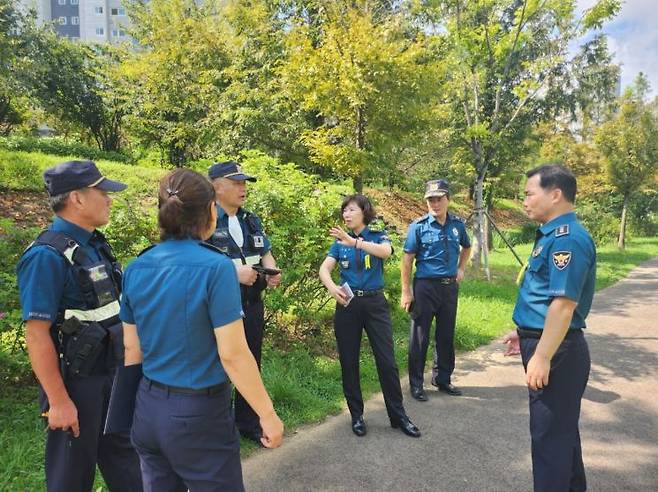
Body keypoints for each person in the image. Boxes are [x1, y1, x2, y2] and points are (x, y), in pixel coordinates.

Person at [120, 169, 284, 491]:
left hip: (148, 409)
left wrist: (133, 413)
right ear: (210, 211)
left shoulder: (136, 267)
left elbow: (131, 350)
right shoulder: (216, 267)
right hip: (198, 414)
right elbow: (233, 354)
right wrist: (267, 413)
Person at [16, 160, 142, 492]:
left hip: (112, 375)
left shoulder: (94, 245)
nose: (109, 199)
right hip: (76, 384)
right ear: (78, 198)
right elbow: (36, 334)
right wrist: (58, 401)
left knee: (130, 467)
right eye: (103, 192)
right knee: (71, 478)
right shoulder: (46, 256)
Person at [502, 164, 595, 492]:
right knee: (561, 436)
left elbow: (563, 305)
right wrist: (525, 331)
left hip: (556, 352)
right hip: (549, 343)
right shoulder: (552, 236)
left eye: (529, 193)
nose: (524, 200)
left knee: (549, 443)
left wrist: (541, 353)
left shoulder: (567, 240)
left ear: (555, 195)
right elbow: (545, 298)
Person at [319, 194, 421, 438]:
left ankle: (398, 416)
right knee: (349, 361)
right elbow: (325, 268)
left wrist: (354, 243)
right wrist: (333, 289)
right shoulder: (339, 242)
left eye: (351, 209)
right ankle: (357, 416)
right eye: (344, 211)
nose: (346, 215)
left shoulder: (377, 234)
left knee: (386, 361)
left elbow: (385, 252)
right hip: (348, 304)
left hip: (375, 303)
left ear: (364, 212)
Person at [206, 160, 282, 444]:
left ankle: (248, 423)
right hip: (219, 305)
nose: (243, 188)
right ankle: (219, 426)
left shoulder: (251, 219)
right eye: (236, 182)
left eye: (244, 182)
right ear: (216, 186)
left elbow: (265, 252)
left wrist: (272, 271)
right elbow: (198, 262)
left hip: (251, 302)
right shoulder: (205, 220)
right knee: (221, 364)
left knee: (251, 360)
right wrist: (232, 273)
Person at [400, 179, 471, 401]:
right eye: (431, 199)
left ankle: (443, 379)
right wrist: (406, 291)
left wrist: (461, 268)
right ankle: (416, 384)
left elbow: (467, 247)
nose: (435, 203)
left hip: (449, 288)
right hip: (425, 288)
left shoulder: (457, 225)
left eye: (439, 199)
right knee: (419, 337)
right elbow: (407, 260)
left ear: (448, 199)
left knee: (446, 335)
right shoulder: (418, 227)